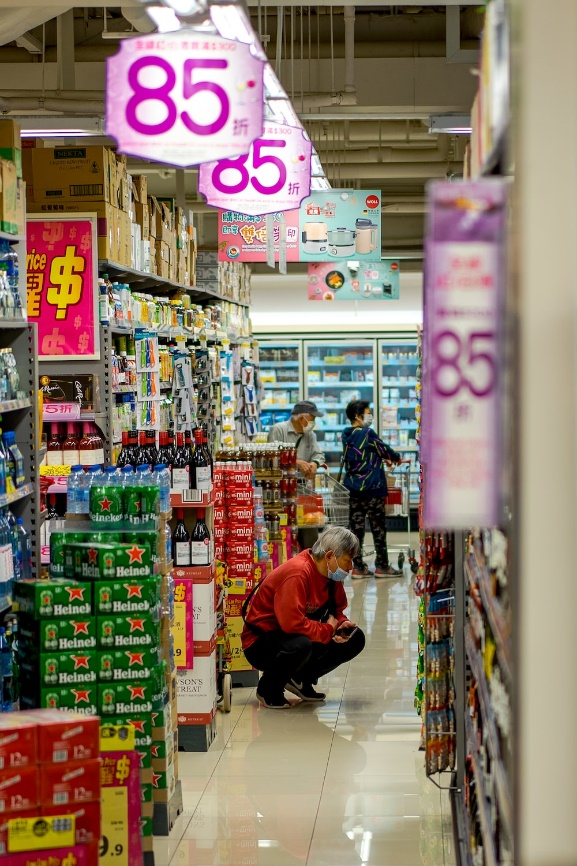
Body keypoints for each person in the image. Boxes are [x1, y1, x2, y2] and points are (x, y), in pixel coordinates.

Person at [241, 526, 365, 709]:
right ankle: (268, 689)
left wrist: (341, 623)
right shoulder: (297, 573)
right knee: (300, 645)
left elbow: (337, 610)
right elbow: (292, 624)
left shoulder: (331, 576)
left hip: (297, 634)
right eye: (348, 560)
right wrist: (328, 629)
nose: (350, 567)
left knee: (355, 638)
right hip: (261, 642)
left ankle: (299, 679)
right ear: (330, 556)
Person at [342, 399, 403, 578]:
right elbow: (384, 449)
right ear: (357, 415)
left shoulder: (346, 434)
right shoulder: (367, 433)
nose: (370, 416)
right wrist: (396, 457)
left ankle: (357, 567)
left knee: (356, 530)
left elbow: (362, 453)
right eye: (368, 413)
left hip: (354, 489)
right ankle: (382, 566)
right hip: (372, 487)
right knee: (378, 529)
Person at [268, 400, 325, 480]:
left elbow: (319, 454)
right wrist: (295, 462)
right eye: (312, 419)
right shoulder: (278, 430)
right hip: (282, 483)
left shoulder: (309, 433)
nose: (313, 422)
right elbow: (271, 457)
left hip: (303, 483)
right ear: (301, 418)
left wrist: (315, 463)